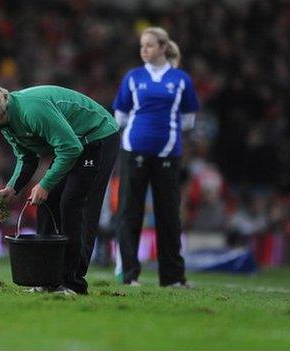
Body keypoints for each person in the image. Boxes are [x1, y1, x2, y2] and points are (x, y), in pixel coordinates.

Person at [0, 83, 120, 295]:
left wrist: (45, 184)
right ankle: (47, 279)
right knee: (47, 202)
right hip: (72, 143)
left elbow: (71, 148)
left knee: (73, 204)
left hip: (97, 137)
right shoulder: (5, 122)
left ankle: (73, 284)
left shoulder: (32, 111)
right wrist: (12, 188)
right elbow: (26, 157)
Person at [113, 27, 199, 287]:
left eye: (149, 45)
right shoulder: (132, 77)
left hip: (168, 154)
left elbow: (188, 120)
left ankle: (172, 277)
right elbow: (121, 116)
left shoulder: (181, 79)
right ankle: (129, 275)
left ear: (163, 47)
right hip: (133, 152)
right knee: (130, 212)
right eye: (142, 46)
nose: (144, 50)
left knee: (169, 214)